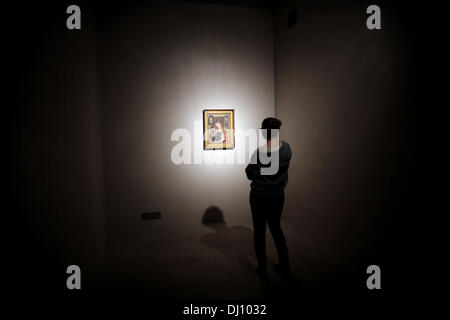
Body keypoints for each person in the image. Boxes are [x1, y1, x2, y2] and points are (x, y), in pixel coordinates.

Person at [245, 117, 292, 278]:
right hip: (278, 196)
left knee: (259, 231)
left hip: (259, 196)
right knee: (276, 228)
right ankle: (285, 265)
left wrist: (261, 172)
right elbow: (277, 168)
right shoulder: (287, 149)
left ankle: (263, 268)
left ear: (264, 133)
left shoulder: (259, 153)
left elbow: (250, 174)